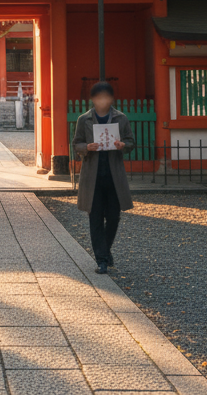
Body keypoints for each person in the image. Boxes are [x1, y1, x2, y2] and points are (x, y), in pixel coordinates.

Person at [73, 81, 134, 274]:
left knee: (114, 217)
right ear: (93, 99)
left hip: (114, 175)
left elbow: (131, 142)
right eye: (98, 97)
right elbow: (76, 144)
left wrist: (123, 145)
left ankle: (105, 250)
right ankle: (101, 259)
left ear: (111, 99)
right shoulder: (84, 120)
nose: (102, 101)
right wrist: (86, 147)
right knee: (96, 218)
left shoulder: (121, 118)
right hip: (93, 176)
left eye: (105, 97)